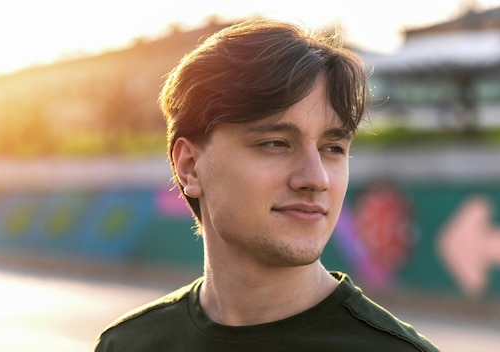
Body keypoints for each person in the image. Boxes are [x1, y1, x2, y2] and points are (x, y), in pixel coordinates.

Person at [95, 18, 439, 352]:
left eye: (333, 149)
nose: (315, 178)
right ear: (190, 167)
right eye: (276, 143)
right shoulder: (128, 344)